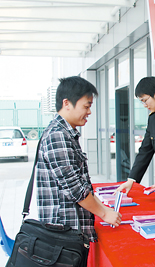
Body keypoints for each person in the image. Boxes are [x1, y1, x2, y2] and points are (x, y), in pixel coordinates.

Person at [36, 76, 122, 266]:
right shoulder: (58, 135)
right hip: (63, 236)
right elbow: (75, 188)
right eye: (86, 106)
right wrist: (105, 213)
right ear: (67, 103)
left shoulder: (66, 133)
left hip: (69, 234)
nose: (89, 112)